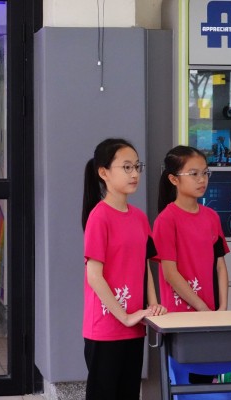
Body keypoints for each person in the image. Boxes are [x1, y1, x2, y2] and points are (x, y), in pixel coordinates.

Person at [81, 138, 166, 400]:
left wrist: (153, 305)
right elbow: (94, 276)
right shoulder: (99, 216)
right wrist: (125, 316)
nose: (134, 173)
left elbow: (144, 265)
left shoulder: (139, 217)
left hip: (135, 326)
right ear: (103, 173)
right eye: (126, 167)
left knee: (128, 394)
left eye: (137, 166)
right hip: (106, 328)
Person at [153, 145, 229, 313]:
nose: (202, 179)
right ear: (174, 179)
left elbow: (220, 265)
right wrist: (202, 308)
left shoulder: (211, 216)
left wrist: (223, 306)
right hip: (180, 313)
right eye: (194, 174)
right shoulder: (166, 220)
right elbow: (170, 273)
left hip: (211, 310)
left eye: (205, 173)